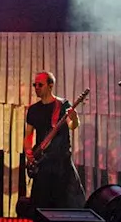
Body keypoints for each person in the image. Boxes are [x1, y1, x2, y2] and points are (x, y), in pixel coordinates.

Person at [23, 72, 84, 210]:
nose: (36, 87)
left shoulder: (62, 105)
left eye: (40, 85)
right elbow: (28, 135)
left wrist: (74, 117)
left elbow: (72, 125)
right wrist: (29, 153)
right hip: (42, 164)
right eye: (35, 85)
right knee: (41, 205)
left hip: (61, 164)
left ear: (51, 86)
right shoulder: (33, 110)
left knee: (64, 204)